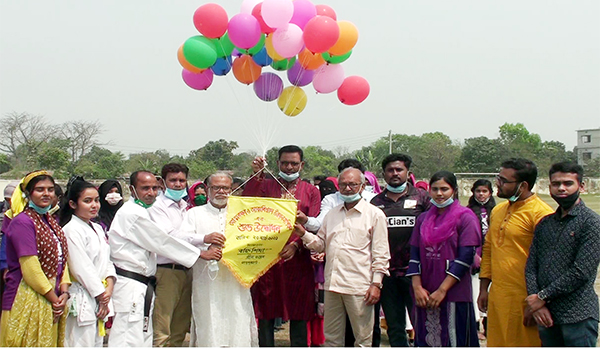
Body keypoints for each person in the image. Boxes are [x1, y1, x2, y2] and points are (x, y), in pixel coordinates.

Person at [294, 167, 390, 346]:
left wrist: (376, 284)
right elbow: (321, 245)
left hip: (359, 287)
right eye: (344, 184)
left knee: (363, 339)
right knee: (331, 339)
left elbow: (381, 254)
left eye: (353, 184)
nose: (347, 188)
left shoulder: (374, 215)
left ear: (362, 187)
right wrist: (303, 234)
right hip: (333, 285)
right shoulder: (332, 214)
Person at [107, 170, 202, 347]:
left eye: (154, 188)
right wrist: (199, 254)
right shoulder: (131, 213)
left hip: (143, 282)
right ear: (132, 189)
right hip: (131, 281)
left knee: (142, 335)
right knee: (127, 335)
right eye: (145, 188)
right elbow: (161, 241)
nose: (151, 193)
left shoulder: (143, 210)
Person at [243, 145, 320, 347]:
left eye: (294, 163)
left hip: (299, 261)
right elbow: (247, 204)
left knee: (300, 313)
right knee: (266, 312)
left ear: (301, 165)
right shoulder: (266, 185)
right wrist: (256, 174)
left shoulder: (311, 191)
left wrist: (295, 246)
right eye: (284, 163)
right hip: (269, 260)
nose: (288, 167)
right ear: (277, 163)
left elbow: (314, 224)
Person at [477, 158, 553, 347]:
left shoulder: (541, 214)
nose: (498, 183)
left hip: (525, 300)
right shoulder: (498, 210)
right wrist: (483, 289)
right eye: (498, 177)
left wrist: (537, 302)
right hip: (498, 297)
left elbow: (549, 263)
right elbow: (489, 249)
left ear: (523, 185)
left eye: (504, 180)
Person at [525, 161, 600, 347]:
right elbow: (531, 266)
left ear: (581, 186)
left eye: (568, 183)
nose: (561, 188)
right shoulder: (545, 224)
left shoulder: (591, 223)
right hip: (546, 314)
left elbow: (581, 271)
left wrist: (541, 297)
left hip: (578, 314)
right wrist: (537, 302)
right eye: (556, 184)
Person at [181, 172, 258, 347]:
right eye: (216, 187)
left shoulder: (242, 214)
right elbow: (181, 239)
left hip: (236, 278)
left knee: (238, 314)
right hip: (206, 278)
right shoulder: (194, 214)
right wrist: (204, 244)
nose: (221, 191)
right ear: (208, 189)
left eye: (225, 188)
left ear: (232, 190)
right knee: (209, 317)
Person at [406, 171, 481, 347]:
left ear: (454, 191)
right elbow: (415, 254)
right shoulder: (424, 218)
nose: (439, 194)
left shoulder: (465, 217)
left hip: (453, 291)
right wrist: (417, 287)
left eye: (444, 189)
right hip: (425, 291)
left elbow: (465, 258)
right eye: (435, 189)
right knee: (426, 338)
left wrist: (442, 290)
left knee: (455, 338)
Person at [0, 170, 71, 347]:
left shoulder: (50, 221)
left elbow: (62, 261)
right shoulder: (22, 222)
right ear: (28, 194)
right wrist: (55, 300)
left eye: (50, 189)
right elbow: (30, 268)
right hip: (26, 297)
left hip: (52, 297)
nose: (46, 194)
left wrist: (64, 291)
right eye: (40, 189)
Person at [370, 153, 431, 347]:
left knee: (421, 324)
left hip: (415, 274)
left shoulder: (422, 198)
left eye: (399, 170)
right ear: (384, 174)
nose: (395, 173)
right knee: (395, 327)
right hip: (387, 274)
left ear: (408, 172)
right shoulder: (375, 203)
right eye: (390, 170)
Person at [148, 163, 210, 347]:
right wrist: (203, 240)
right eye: (173, 180)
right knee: (162, 328)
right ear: (163, 182)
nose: (177, 184)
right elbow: (170, 236)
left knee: (180, 328)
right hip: (167, 271)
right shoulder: (157, 206)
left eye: (181, 180)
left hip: (188, 270)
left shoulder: (185, 207)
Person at [59, 177, 116, 347]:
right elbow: (81, 267)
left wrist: (110, 286)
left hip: (100, 294)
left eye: (97, 200)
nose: (94, 205)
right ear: (73, 204)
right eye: (87, 201)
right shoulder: (70, 230)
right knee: (79, 343)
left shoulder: (97, 228)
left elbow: (107, 260)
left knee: (96, 343)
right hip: (83, 295)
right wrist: (101, 295)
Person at [466, 179, 496, 337]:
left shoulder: (497, 210)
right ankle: (476, 326)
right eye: (478, 191)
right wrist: (474, 255)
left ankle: (489, 325)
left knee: (491, 291)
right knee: (475, 291)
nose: (481, 194)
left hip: (493, 258)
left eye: (484, 191)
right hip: (474, 258)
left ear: (490, 193)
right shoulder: (468, 211)